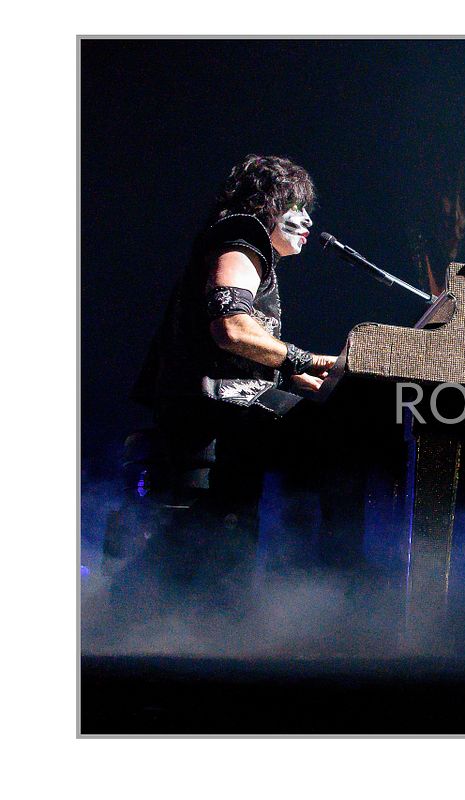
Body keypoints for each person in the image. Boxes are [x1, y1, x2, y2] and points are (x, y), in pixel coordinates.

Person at [130, 154, 357, 607]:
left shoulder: (242, 244)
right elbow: (230, 327)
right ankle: (339, 587)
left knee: (209, 559)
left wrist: (291, 376)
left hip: (209, 413)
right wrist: (305, 361)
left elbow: (230, 349)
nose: (308, 218)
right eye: (296, 204)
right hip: (210, 418)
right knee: (340, 444)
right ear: (268, 203)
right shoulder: (243, 236)